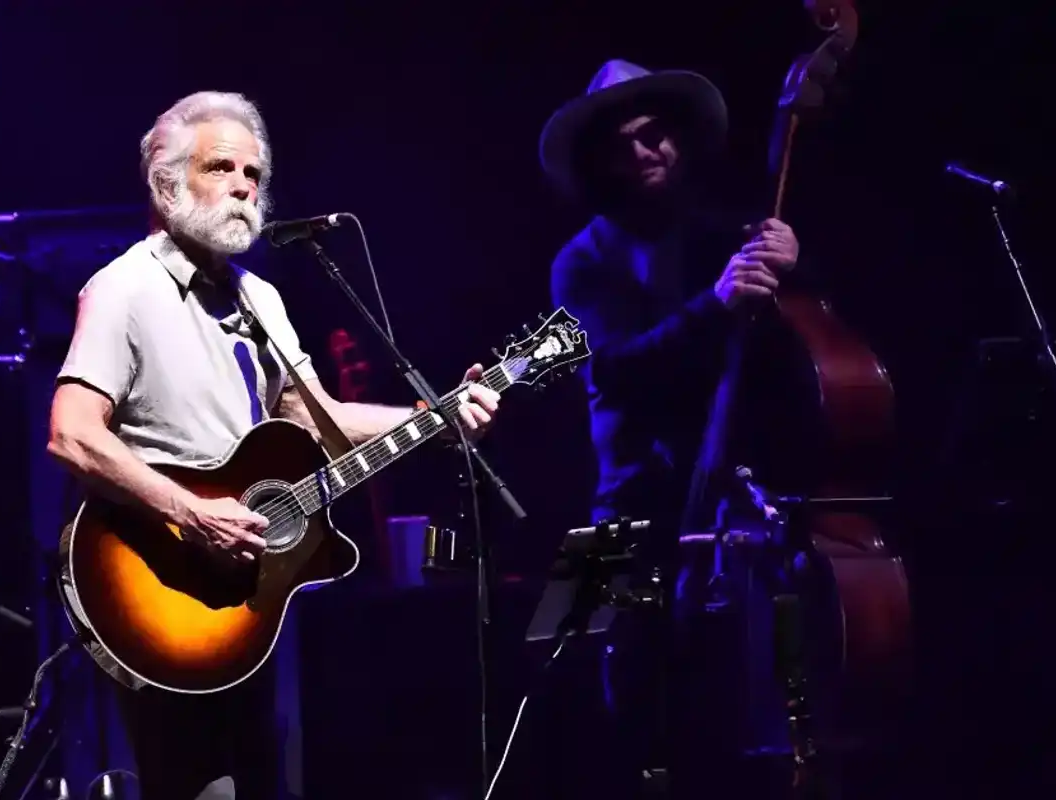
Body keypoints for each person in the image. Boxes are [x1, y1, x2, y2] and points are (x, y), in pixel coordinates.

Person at [47, 91, 500, 800]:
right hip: (158, 582)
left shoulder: (261, 298)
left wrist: (435, 416)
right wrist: (192, 513)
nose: (244, 188)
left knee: (266, 783)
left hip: (251, 594)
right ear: (167, 185)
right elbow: (71, 434)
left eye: (254, 174)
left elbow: (320, 421)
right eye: (221, 168)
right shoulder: (123, 290)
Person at [539, 60, 801, 793]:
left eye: (654, 136)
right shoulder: (579, 262)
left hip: (733, 509)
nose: (642, 154)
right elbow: (619, 369)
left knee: (742, 713)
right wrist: (717, 304)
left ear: (680, 140)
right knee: (583, 685)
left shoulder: (726, 234)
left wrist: (795, 265)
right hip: (624, 503)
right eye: (621, 145)